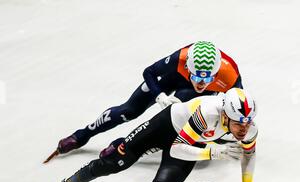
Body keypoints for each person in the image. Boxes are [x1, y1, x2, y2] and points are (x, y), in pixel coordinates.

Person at [28, 88, 263, 182]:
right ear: (225, 116)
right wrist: (213, 151)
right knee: (114, 163)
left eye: (246, 122)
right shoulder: (208, 112)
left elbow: (249, 154)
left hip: (190, 140)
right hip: (166, 126)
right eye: (238, 123)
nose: (243, 129)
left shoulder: (248, 127)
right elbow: (175, 148)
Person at [52, 41, 242, 156]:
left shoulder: (230, 74)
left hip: (194, 97)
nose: (201, 83)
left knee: (179, 125)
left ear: (216, 73)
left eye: (207, 78)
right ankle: (81, 135)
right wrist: (159, 95)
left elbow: (238, 108)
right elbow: (149, 72)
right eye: (196, 76)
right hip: (172, 78)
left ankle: (124, 144)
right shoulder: (180, 58)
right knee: (129, 111)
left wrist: (225, 131)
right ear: (188, 67)